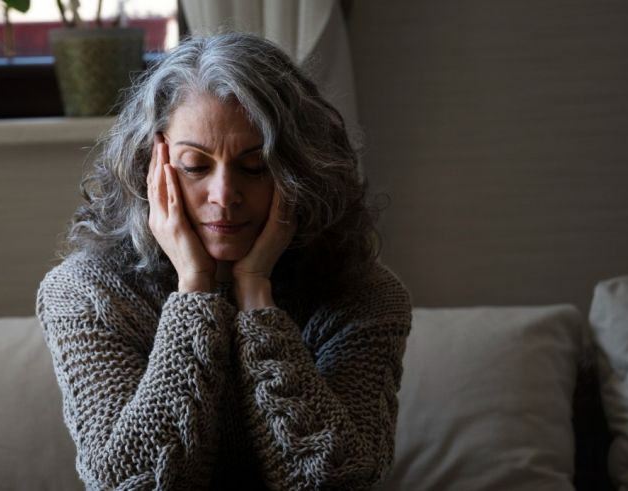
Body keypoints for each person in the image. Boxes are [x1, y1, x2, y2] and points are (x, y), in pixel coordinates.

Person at [37, 32, 412, 491]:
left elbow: (337, 479)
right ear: (150, 167)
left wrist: (256, 296)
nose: (224, 196)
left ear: (300, 171)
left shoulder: (364, 295)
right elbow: (132, 483)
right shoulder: (86, 295)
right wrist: (193, 291)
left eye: (255, 167)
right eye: (195, 166)